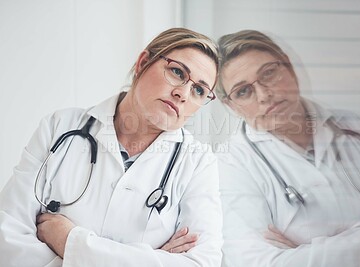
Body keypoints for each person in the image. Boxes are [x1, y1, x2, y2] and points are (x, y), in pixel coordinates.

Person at [0, 27, 223, 266]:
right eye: (177, 72)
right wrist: (153, 258)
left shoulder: (197, 162)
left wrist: (69, 242)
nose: (183, 94)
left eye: (199, 90)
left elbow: (201, 263)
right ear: (143, 63)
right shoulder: (59, 127)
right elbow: (8, 237)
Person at [215, 29, 360, 266]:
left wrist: (305, 252)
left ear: (289, 66)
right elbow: (260, 263)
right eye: (243, 91)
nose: (264, 95)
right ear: (231, 106)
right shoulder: (230, 167)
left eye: (269, 73)